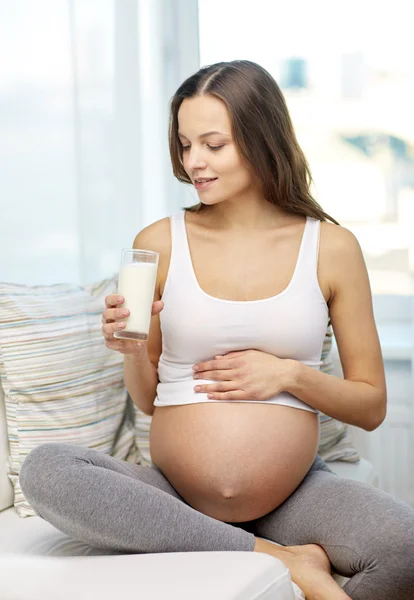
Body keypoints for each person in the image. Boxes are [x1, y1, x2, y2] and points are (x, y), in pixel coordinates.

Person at [20, 60, 414, 600]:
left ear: (261, 139)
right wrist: (130, 349)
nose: (193, 163)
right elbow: (150, 401)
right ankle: (277, 558)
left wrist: (288, 375)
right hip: (173, 496)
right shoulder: (158, 242)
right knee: (48, 470)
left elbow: (370, 406)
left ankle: (248, 545)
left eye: (212, 144)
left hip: (293, 497)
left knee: (406, 547)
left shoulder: (331, 248)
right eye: (184, 145)